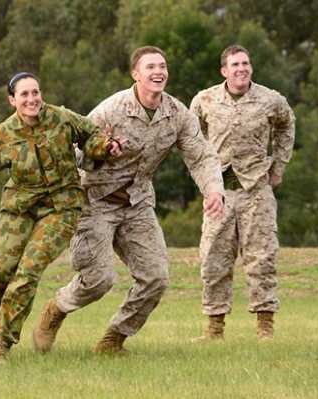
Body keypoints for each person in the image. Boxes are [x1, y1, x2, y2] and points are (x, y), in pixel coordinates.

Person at [32, 46, 225, 355]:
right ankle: (56, 309)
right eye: (150, 67)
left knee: (156, 278)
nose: (158, 72)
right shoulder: (111, 110)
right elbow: (74, 154)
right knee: (99, 280)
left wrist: (214, 190)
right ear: (136, 74)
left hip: (138, 204)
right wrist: (101, 150)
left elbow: (200, 154)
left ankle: (113, 340)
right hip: (95, 201)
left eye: (162, 66)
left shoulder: (177, 114)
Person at [0, 72, 125, 366]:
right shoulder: (4, 134)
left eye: (36, 92)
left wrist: (107, 147)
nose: (32, 99)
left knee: (27, 273)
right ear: (12, 101)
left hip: (61, 207)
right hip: (19, 208)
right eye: (24, 95)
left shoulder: (61, 118)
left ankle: (2, 344)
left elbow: (91, 136)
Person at [189, 44, 295, 341]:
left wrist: (279, 166)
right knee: (213, 260)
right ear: (224, 70)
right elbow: (190, 138)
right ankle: (214, 330)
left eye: (245, 63)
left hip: (257, 191)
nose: (241, 69)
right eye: (235, 65)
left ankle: (265, 328)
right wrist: (203, 179)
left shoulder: (270, 100)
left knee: (262, 258)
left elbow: (287, 126)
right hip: (219, 194)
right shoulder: (205, 100)